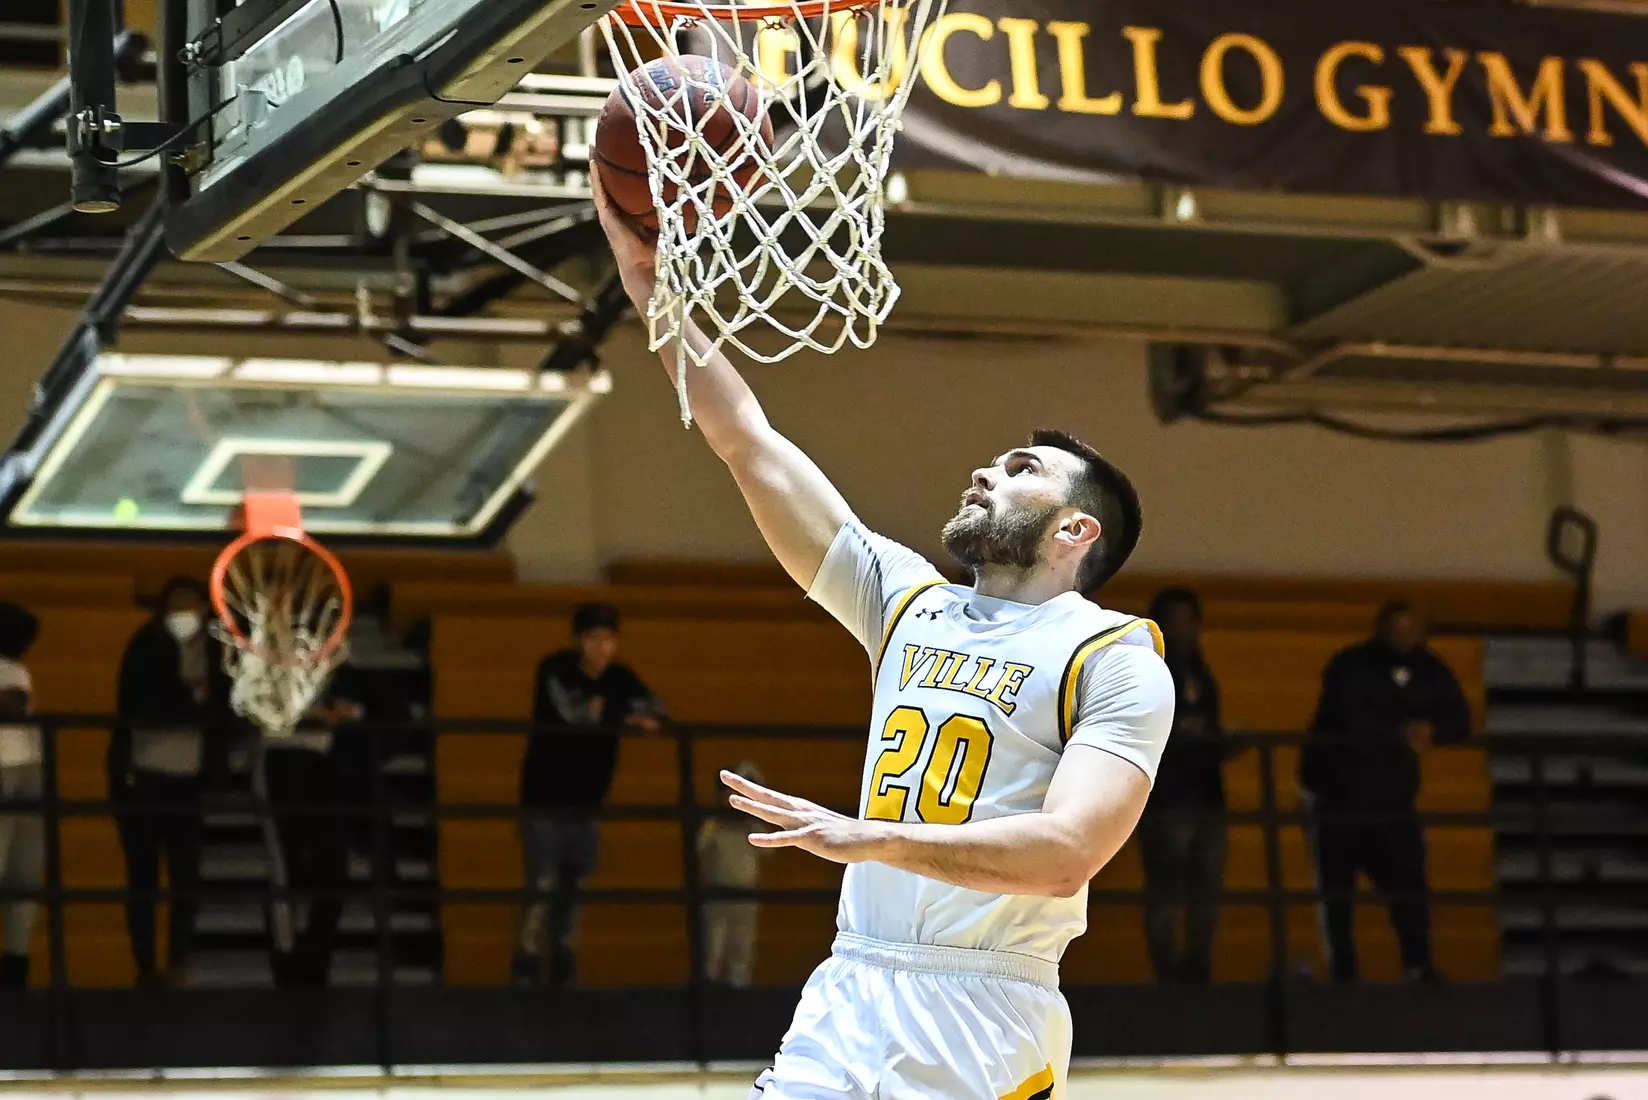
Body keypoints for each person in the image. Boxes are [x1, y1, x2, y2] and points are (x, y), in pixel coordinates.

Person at [592, 173, 1174, 1100]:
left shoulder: (1114, 658)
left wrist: (871, 837)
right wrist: (650, 282)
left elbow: (1068, 853)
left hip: (985, 1015)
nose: (986, 471)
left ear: (1075, 531)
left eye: (1021, 471)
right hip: (851, 983)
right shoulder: (906, 602)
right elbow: (748, 441)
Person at [1301, 601, 1473, 984]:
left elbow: (1460, 718)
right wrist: (1397, 732)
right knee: (1337, 891)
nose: (1403, 637)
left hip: (1393, 801)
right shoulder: (1352, 665)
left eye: (1411, 629)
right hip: (1338, 796)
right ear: (1380, 630)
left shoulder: (1429, 668)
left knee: (1409, 884)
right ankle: (1343, 972)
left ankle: (1418, 964)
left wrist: (1432, 729)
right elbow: (1345, 715)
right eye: (1396, 629)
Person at [513, 602, 665, 987]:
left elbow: (658, 712)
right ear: (579, 640)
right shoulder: (554, 668)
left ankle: (563, 968)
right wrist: (621, 715)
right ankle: (526, 966)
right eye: (593, 638)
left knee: (575, 886)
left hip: (589, 800)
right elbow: (573, 716)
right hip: (544, 797)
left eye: (608, 639)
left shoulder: (620, 677)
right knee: (542, 885)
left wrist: (608, 711)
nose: (601, 647)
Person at [111, 578, 230, 989]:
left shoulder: (216, 650)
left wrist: (196, 703)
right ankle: (144, 966)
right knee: (142, 876)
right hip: (142, 776)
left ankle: (178, 962)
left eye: (192, 604)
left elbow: (225, 705)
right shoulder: (146, 644)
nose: (185, 613)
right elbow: (139, 702)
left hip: (190, 779)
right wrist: (191, 699)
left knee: (185, 878)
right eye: (177, 605)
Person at [1138, 588, 1228, 986]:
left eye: (1188, 620)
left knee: (1207, 890)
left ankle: (1198, 971)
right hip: (1166, 796)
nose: (1183, 629)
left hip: (1207, 794)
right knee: (1166, 889)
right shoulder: (1147, 666)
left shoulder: (1200, 668)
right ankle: (1168, 977)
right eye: (1174, 621)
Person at [263, 666, 367, 988]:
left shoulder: (332, 653)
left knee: (332, 872)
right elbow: (255, 700)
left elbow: (364, 699)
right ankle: (287, 964)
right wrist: (314, 713)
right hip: (282, 760)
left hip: (324, 762)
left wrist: (350, 711)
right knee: (288, 870)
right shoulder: (268, 646)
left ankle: (314, 960)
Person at [0, 602, 41, 988]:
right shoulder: (12, 670)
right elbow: (14, 707)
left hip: (25, 764)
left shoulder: (15, 669)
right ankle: (14, 962)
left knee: (25, 874)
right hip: (11, 765)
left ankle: (15, 963)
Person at [698, 760, 767, 988]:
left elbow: (768, 852)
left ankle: (740, 1000)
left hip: (746, 896)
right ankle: (710, 998)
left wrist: (752, 818)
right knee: (712, 949)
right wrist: (717, 822)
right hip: (717, 896)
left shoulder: (751, 827)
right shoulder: (713, 825)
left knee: (742, 949)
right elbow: (699, 848)